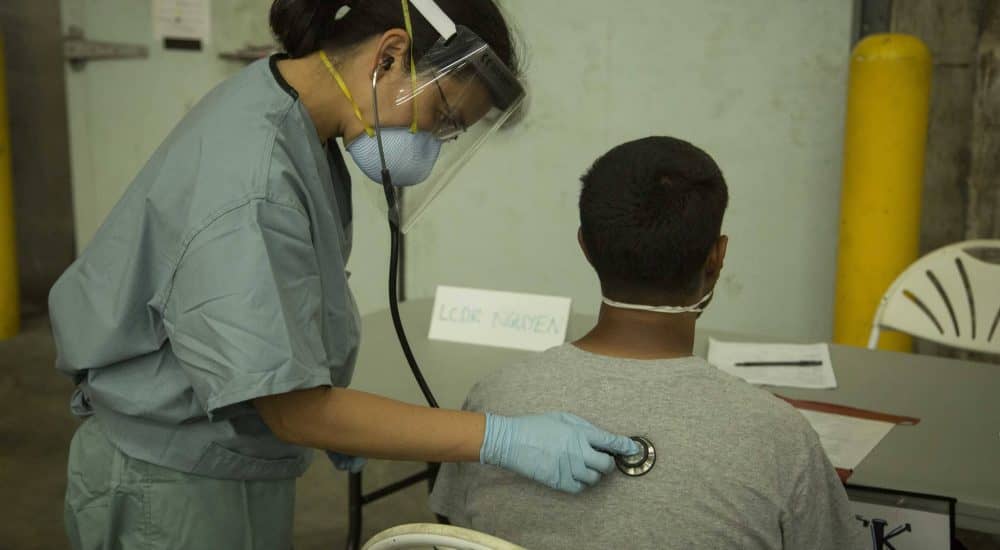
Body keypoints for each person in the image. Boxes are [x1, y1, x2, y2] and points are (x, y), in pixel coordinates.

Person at [50, 2, 639, 548]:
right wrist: (499, 438)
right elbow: (293, 410)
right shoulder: (255, 183)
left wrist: (334, 406)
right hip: (171, 484)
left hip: (222, 456)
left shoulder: (289, 112)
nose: (433, 146)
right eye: (441, 117)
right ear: (389, 56)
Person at [430, 136, 865, 549]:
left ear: (585, 246)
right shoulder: (779, 438)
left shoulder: (493, 403)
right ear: (717, 257)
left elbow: (453, 532)